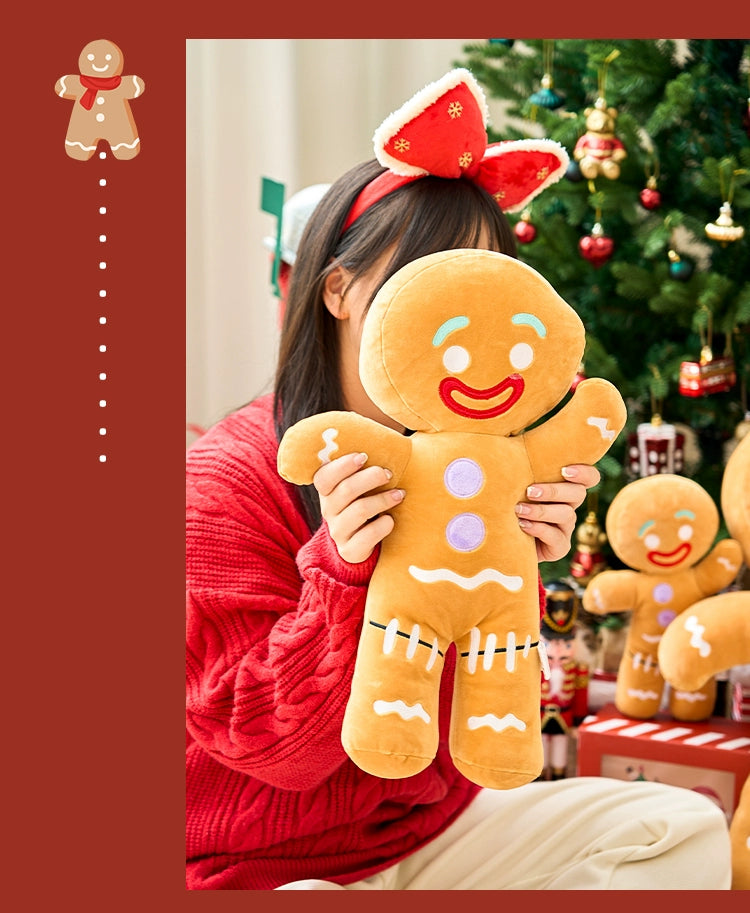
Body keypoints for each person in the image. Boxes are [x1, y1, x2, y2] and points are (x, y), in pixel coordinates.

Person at [186, 68, 732, 891]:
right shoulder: (225, 481)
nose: (455, 315)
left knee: (678, 829)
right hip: (264, 860)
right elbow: (272, 750)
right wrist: (342, 569)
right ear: (337, 288)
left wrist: (511, 558)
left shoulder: (478, 460)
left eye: (477, 280)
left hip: (425, 831)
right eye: (422, 279)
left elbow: (474, 670)